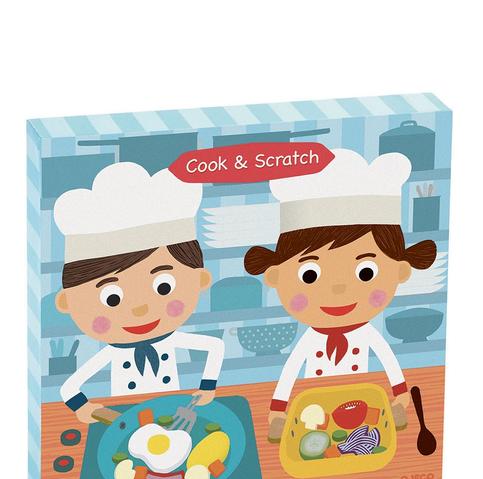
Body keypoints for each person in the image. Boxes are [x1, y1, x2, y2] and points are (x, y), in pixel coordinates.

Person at [243, 150, 436, 433]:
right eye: (310, 275)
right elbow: (291, 370)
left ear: (400, 270)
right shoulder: (312, 338)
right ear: (276, 276)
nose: (338, 288)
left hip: (360, 398)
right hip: (315, 405)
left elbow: (388, 360)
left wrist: (400, 393)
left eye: (366, 272)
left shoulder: (366, 333)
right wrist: (278, 409)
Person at [53, 162, 224, 423]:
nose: (139, 309)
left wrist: (208, 387)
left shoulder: (171, 340)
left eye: (163, 287)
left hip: (172, 414)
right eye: (112, 299)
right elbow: (68, 388)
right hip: (129, 420)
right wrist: (82, 407)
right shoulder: (113, 353)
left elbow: (215, 347)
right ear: (67, 302)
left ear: (200, 279)